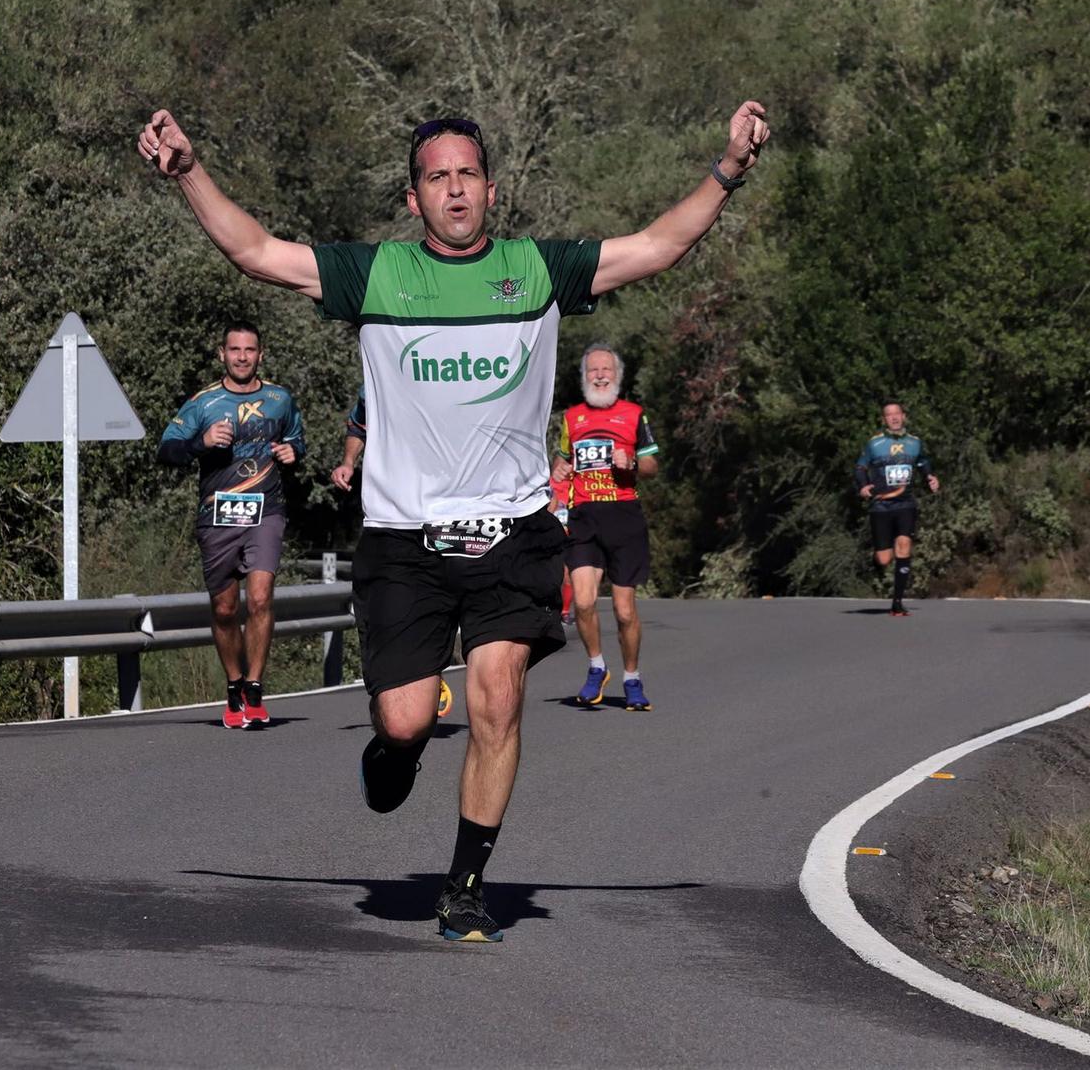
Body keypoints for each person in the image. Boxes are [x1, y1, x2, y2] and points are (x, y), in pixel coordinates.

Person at [136, 96, 770, 943]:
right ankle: (392, 752)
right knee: (404, 720)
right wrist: (189, 173)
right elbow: (254, 251)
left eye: (468, 175)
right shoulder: (378, 276)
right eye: (438, 179)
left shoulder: (539, 270)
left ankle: (466, 883)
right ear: (413, 200)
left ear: (492, 189)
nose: (456, 191)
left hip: (513, 531)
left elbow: (659, 246)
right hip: (403, 541)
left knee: (496, 696)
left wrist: (727, 169)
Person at [158, 321, 305, 729]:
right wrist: (199, 444)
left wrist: (292, 453)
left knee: (259, 599)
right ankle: (235, 684)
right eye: (235, 350)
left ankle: (255, 690)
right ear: (222, 354)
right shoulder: (203, 403)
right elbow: (166, 450)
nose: (242, 357)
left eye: (250, 350)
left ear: (261, 354)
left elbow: (297, 441)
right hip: (217, 513)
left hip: (267, 510)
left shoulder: (279, 399)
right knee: (225, 610)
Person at [333, 387, 454, 723]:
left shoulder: (442, 375)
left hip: (442, 509)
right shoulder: (373, 382)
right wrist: (347, 462)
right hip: (390, 516)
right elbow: (358, 425)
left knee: (436, 592)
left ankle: (431, 670)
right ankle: (397, 683)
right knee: (388, 604)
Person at [552, 344, 660, 711]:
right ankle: (597, 667)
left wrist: (630, 461)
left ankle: (632, 678)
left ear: (618, 376)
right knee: (582, 601)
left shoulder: (633, 414)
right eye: (593, 370)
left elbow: (652, 467)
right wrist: (559, 470)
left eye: (607, 370)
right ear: (584, 377)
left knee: (624, 610)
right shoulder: (572, 418)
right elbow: (563, 460)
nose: (600, 375)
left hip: (623, 516)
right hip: (584, 516)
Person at [855, 400, 940, 617]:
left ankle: (897, 603)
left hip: (905, 503)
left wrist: (930, 477)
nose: (893, 418)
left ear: (904, 416)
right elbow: (861, 466)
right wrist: (863, 486)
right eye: (889, 415)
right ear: (884, 420)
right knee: (884, 559)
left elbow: (922, 462)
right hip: (881, 505)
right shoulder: (874, 444)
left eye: (897, 414)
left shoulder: (915, 443)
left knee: (904, 545)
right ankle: (880, 554)